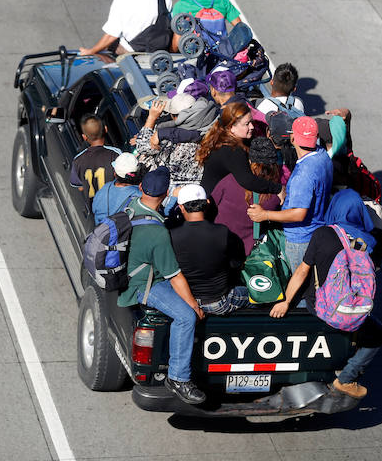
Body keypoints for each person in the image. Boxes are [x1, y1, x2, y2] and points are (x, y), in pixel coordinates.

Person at [268, 188, 382, 399]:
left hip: (319, 306)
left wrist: (286, 301)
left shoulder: (323, 234)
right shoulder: (369, 243)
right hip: (353, 310)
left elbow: (302, 271)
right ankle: (347, 379)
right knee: (379, 334)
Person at [115, 167, 207, 405]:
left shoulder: (130, 205)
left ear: (142, 188)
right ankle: (178, 378)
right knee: (186, 317)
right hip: (144, 285)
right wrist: (194, 306)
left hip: (128, 275)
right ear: (166, 193)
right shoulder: (158, 234)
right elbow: (175, 276)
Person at [247, 116, 332, 273]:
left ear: (292, 138)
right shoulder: (323, 156)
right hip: (316, 229)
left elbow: (299, 213)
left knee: (298, 287)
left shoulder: (303, 174)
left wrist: (264, 214)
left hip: (299, 239)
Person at [169, 185, 249, 315]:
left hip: (183, 302)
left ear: (181, 207)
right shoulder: (222, 232)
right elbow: (236, 263)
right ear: (207, 203)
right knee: (255, 294)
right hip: (217, 303)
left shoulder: (171, 235)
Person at [212, 137, 284, 255]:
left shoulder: (229, 180)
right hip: (250, 253)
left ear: (250, 161)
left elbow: (212, 204)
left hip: (220, 246)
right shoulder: (276, 197)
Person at [196, 102, 282, 199]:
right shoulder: (232, 149)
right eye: (247, 124)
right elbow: (247, 180)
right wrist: (278, 189)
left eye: (251, 122)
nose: (252, 127)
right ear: (231, 127)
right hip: (212, 201)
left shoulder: (222, 138)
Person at [69, 114, 121, 204]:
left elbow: (79, 186)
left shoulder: (78, 160)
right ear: (105, 129)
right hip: (115, 206)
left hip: (96, 210)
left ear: (84, 137)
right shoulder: (116, 154)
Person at [92, 152, 142, 223]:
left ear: (115, 174)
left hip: (101, 231)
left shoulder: (106, 188)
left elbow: (94, 209)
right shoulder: (139, 195)